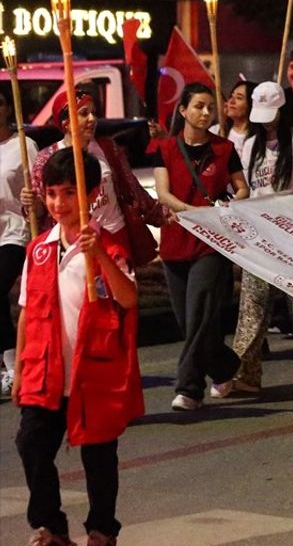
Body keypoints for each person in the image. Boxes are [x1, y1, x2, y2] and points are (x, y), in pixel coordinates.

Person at [14, 149, 141, 546]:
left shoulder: (109, 247)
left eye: (69, 193)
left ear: (92, 194)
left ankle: (102, 528)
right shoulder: (38, 249)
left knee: (99, 457)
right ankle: (50, 524)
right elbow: (26, 314)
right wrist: (19, 369)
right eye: (51, 193)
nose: (58, 203)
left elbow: (128, 298)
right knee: (31, 443)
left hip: (94, 374)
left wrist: (97, 253)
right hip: (46, 371)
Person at [221, 82, 293, 395]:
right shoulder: (250, 144)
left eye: (271, 114)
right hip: (260, 236)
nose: (266, 121)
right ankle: (247, 373)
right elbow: (244, 186)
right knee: (252, 305)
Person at [150, 84, 249, 411]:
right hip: (175, 244)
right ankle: (226, 367)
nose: (206, 113)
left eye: (210, 108)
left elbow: (242, 188)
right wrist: (195, 213)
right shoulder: (164, 148)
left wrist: (227, 206)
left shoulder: (224, 149)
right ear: (183, 111)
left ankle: (189, 389)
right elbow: (163, 195)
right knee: (191, 324)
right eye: (198, 107)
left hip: (211, 245)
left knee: (200, 315)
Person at [25, 89, 168, 269]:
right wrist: (32, 203)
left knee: (119, 292)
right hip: (74, 241)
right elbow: (41, 209)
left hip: (114, 235)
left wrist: (161, 213)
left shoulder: (107, 148)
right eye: (84, 113)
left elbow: (132, 187)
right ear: (65, 122)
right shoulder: (47, 158)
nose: (92, 119)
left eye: (93, 112)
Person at [1, 90, 38, 397]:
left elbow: (41, 187)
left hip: (14, 233)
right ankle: (9, 366)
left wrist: (34, 199)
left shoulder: (24, 146)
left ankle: (14, 367)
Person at [214, 80, 254, 155]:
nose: (231, 101)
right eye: (231, 96)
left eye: (239, 98)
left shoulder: (257, 139)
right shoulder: (215, 131)